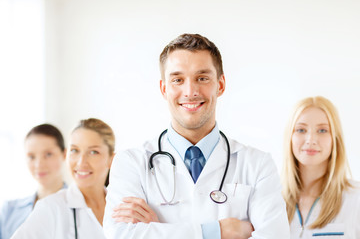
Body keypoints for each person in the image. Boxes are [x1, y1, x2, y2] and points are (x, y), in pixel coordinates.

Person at [103, 33, 289, 239]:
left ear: (220, 85)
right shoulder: (131, 163)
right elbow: (120, 235)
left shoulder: (257, 165)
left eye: (202, 78)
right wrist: (218, 232)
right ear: (164, 89)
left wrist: (158, 230)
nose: (190, 91)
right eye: (178, 80)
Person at [11, 118, 115, 239]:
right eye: (74, 150)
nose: (81, 162)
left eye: (93, 152)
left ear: (112, 159)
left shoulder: (126, 207)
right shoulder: (51, 207)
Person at [282, 96, 360, 238]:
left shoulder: (356, 198)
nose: (311, 140)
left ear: (335, 139)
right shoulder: (271, 199)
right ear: (290, 137)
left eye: (322, 130)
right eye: (301, 130)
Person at [0, 124, 66, 239]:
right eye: (31, 156)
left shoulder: (85, 207)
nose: (39, 165)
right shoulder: (9, 211)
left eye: (48, 154)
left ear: (64, 154)